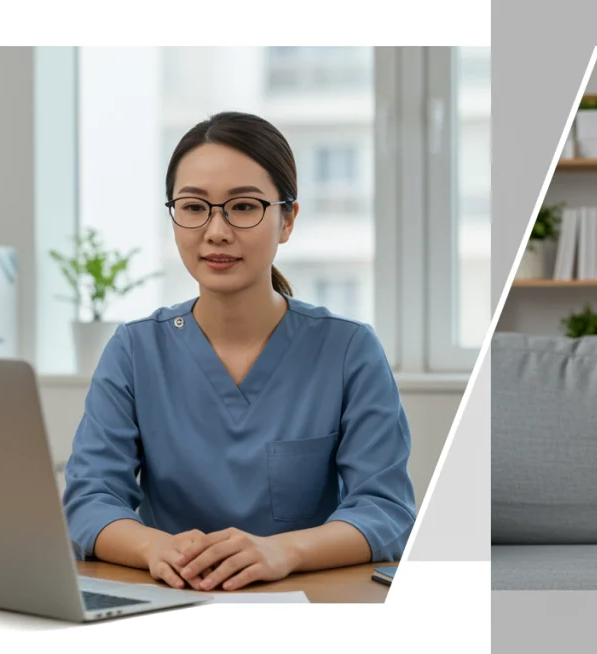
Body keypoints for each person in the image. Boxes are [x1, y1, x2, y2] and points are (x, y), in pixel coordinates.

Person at [62, 111, 415, 592]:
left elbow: (386, 509)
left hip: (309, 600)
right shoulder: (134, 350)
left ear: (287, 220)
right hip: (171, 597)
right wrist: (153, 548)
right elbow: (90, 500)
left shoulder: (349, 350)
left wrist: (284, 551)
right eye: (193, 207)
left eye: (244, 206)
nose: (216, 231)